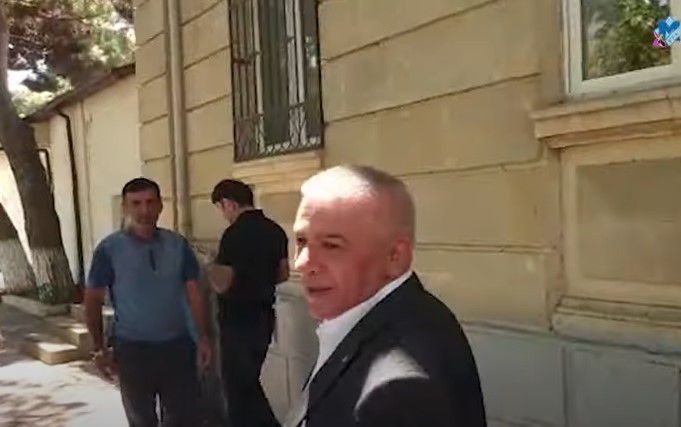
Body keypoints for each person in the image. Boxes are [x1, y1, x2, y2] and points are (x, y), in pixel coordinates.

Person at [283, 165, 487, 427]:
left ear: (395, 256)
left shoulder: (398, 390)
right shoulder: (409, 312)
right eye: (301, 241)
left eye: (331, 245)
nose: (302, 263)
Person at [84, 177, 211, 427]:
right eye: (136, 203)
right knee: (142, 420)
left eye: (151, 202)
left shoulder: (177, 245)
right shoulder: (109, 249)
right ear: (125, 207)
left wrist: (203, 337)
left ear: (160, 205)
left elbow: (193, 294)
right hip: (132, 350)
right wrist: (99, 348)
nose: (145, 210)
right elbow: (93, 299)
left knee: (184, 418)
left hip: (178, 347)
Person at [207, 179, 289, 427]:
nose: (223, 215)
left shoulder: (233, 234)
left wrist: (210, 266)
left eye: (221, 208)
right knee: (247, 382)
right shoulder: (275, 230)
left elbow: (223, 283)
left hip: (236, 320)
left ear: (228, 203)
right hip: (263, 318)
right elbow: (283, 274)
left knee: (238, 389)